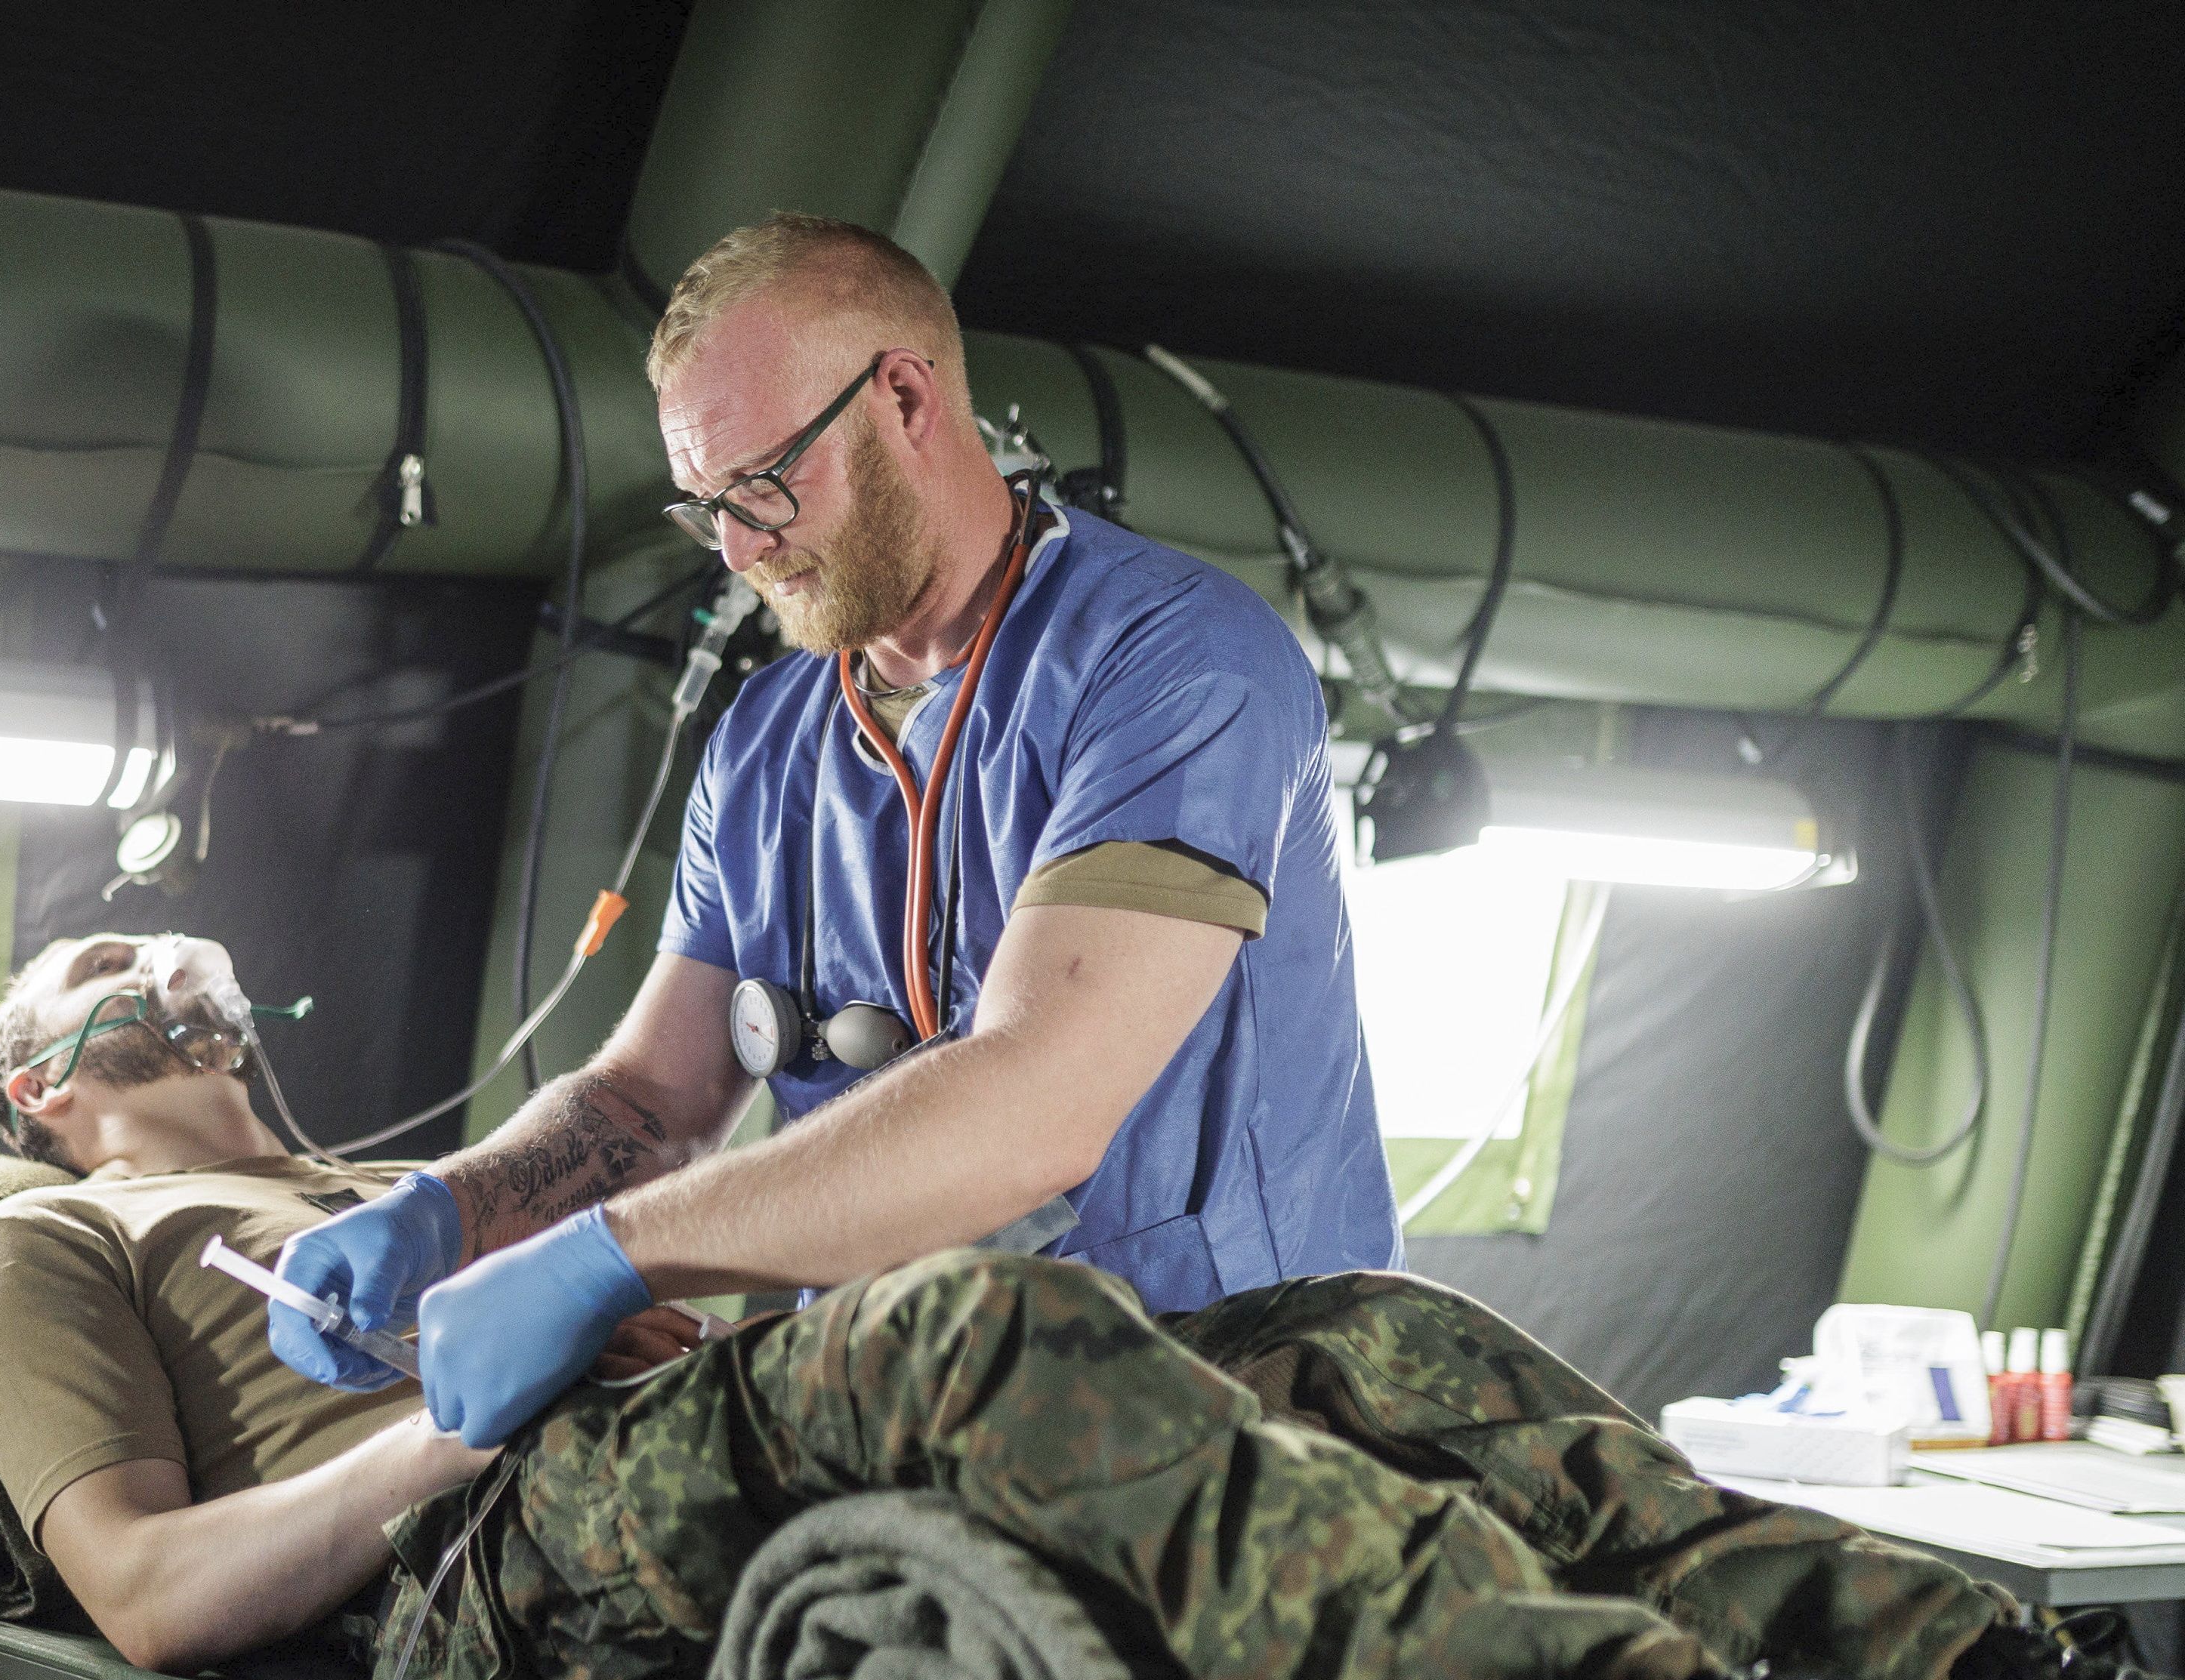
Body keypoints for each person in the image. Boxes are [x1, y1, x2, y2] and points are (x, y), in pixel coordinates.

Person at [0, 928, 2185, 1680]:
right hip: (469, 1560)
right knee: (951, 1327)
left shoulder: (411, 1192)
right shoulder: (36, 1242)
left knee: (1358, 1327)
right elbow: (144, 1594)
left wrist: (538, 1260)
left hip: (688, 1444)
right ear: (41, 1084)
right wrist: (467, 1400)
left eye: (189, 957)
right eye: (96, 969)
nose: (165, 960)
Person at [270, 211, 1397, 1454]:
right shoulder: (764, 739)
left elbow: (1035, 1103)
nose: (743, 550)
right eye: (707, 509)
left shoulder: (1174, 662)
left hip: (1233, 1401)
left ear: (906, 399)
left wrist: (605, 1260)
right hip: (910, 1401)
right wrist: (449, 1209)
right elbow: (654, 1097)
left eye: (763, 483)